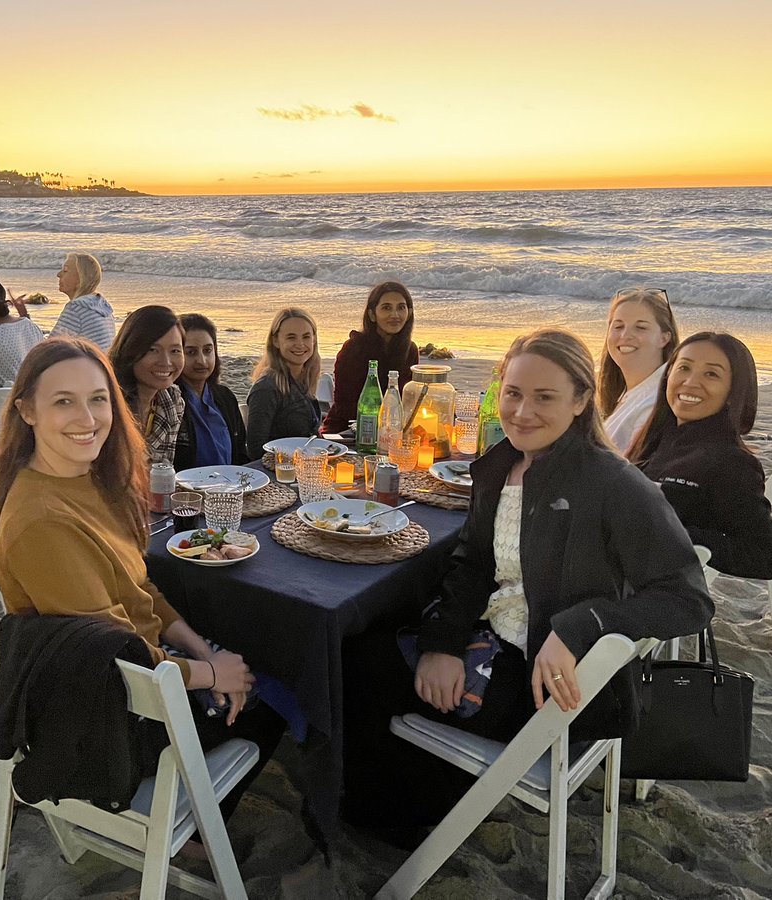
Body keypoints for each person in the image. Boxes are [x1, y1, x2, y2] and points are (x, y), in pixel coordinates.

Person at [340, 328, 713, 829]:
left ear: (581, 400)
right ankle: (412, 804)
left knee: (357, 667)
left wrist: (578, 625)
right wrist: (442, 645)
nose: (521, 411)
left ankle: (394, 824)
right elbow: (472, 565)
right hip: (496, 642)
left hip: (550, 689)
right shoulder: (500, 466)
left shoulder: (613, 484)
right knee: (367, 643)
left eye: (544, 397)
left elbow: (688, 599)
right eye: (513, 394)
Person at [0, 336, 285, 819]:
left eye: (98, 399)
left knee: (256, 651)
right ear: (27, 411)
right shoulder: (42, 522)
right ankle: (201, 835)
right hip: (116, 712)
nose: (88, 419)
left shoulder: (83, 480)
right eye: (64, 401)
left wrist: (205, 651)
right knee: (278, 690)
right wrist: (210, 673)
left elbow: (139, 591)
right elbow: (114, 656)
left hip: (144, 672)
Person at [629, 332, 772, 580]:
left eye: (711, 374)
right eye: (684, 368)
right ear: (668, 375)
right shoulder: (656, 438)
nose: (690, 382)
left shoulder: (731, 463)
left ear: (733, 391)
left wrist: (676, 534)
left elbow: (765, 557)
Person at [322, 282, 418, 434]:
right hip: (347, 430)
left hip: (393, 431)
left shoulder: (409, 350)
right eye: (386, 308)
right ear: (372, 314)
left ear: (409, 313)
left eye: (401, 307)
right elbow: (344, 405)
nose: (395, 315)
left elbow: (408, 401)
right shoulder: (354, 348)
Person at [596, 287, 678, 452]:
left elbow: (637, 471)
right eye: (618, 326)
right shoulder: (628, 393)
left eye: (640, 327)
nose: (625, 335)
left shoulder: (655, 403)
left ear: (664, 338)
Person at [108, 305, 185, 465]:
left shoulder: (172, 400)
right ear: (130, 350)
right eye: (152, 350)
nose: (166, 362)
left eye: (175, 351)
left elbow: (163, 470)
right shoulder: (108, 402)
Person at [245, 308, 322, 459]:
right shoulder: (266, 388)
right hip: (279, 474)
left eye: (306, 337)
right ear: (276, 341)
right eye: (291, 337)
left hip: (305, 468)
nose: (300, 344)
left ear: (314, 339)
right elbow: (255, 450)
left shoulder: (304, 379)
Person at [174, 313, 248, 470]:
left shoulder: (225, 397)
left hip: (230, 489)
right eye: (191, 352)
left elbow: (241, 457)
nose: (202, 360)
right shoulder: (169, 403)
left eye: (207, 350)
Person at [50, 252, 115, 351]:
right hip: (101, 363)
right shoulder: (102, 307)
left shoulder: (77, 308)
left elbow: (49, 347)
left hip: (88, 364)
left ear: (80, 278)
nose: (58, 275)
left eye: (65, 271)